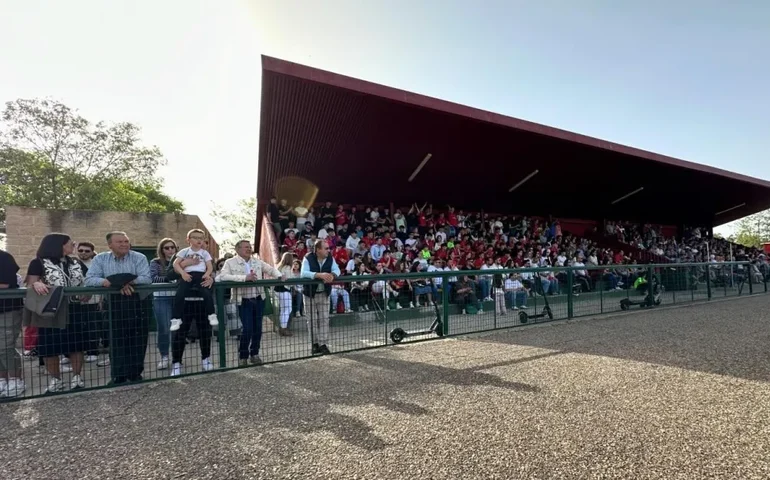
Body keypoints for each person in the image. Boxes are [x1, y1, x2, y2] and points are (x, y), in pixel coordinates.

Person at [25, 233, 91, 393]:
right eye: (70, 243)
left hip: (74, 308)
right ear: (59, 245)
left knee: (77, 344)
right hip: (50, 310)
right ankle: (56, 379)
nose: (73, 245)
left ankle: (77, 377)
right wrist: (37, 284)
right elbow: (32, 283)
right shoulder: (38, 263)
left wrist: (86, 293)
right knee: (49, 347)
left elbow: (86, 282)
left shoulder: (76, 262)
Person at [84, 231, 151, 384]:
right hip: (113, 304)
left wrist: (126, 283)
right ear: (110, 245)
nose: (124, 244)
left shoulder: (139, 257)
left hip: (137, 303)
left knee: (138, 339)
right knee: (116, 340)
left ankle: (135, 374)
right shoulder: (101, 258)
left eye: (126, 241)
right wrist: (110, 283)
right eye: (119, 241)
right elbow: (89, 279)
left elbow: (146, 278)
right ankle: (118, 375)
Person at [217, 240, 284, 366]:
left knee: (258, 328)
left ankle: (254, 354)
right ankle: (243, 356)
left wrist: (280, 275)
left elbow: (270, 269)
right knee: (247, 329)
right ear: (237, 250)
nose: (249, 249)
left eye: (250, 247)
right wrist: (243, 278)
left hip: (258, 299)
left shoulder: (256, 261)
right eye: (246, 247)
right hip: (243, 300)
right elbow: (223, 276)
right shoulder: (230, 262)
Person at [170, 229, 217, 331]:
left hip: (200, 275)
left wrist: (207, 274)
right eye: (195, 238)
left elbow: (210, 266)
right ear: (188, 240)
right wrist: (183, 273)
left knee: (206, 293)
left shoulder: (204, 253)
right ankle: (176, 318)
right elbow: (175, 264)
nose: (198, 240)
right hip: (188, 275)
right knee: (180, 294)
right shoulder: (184, 251)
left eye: (201, 238)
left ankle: (211, 314)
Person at [300, 239, 340, 355]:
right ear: (318, 250)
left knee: (324, 319)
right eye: (326, 248)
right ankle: (314, 344)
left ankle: (323, 344)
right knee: (311, 320)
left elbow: (337, 270)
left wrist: (332, 275)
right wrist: (319, 275)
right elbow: (303, 273)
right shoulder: (308, 257)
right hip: (309, 294)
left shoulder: (330, 258)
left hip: (324, 293)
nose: (329, 250)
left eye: (328, 248)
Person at [149, 238, 177, 370]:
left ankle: (177, 357)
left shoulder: (181, 261)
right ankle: (164, 356)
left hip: (178, 298)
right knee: (164, 327)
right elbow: (153, 278)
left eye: (172, 247)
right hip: (161, 297)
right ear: (162, 250)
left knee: (178, 328)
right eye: (167, 248)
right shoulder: (155, 262)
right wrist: (170, 277)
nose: (170, 250)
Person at [0, 249, 25, 398]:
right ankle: (3, 379)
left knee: (6, 347)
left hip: (7, 310)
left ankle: (17, 380)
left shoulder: (4, 257)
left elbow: (5, 284)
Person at [273, 252, 294, 337]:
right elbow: (290, 281)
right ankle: (283, 328)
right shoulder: (287, 267)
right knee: (288, 309)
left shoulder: (279, 266)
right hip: (284, 290)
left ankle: (281, 328)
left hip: (277, 290)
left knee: (283, 310)